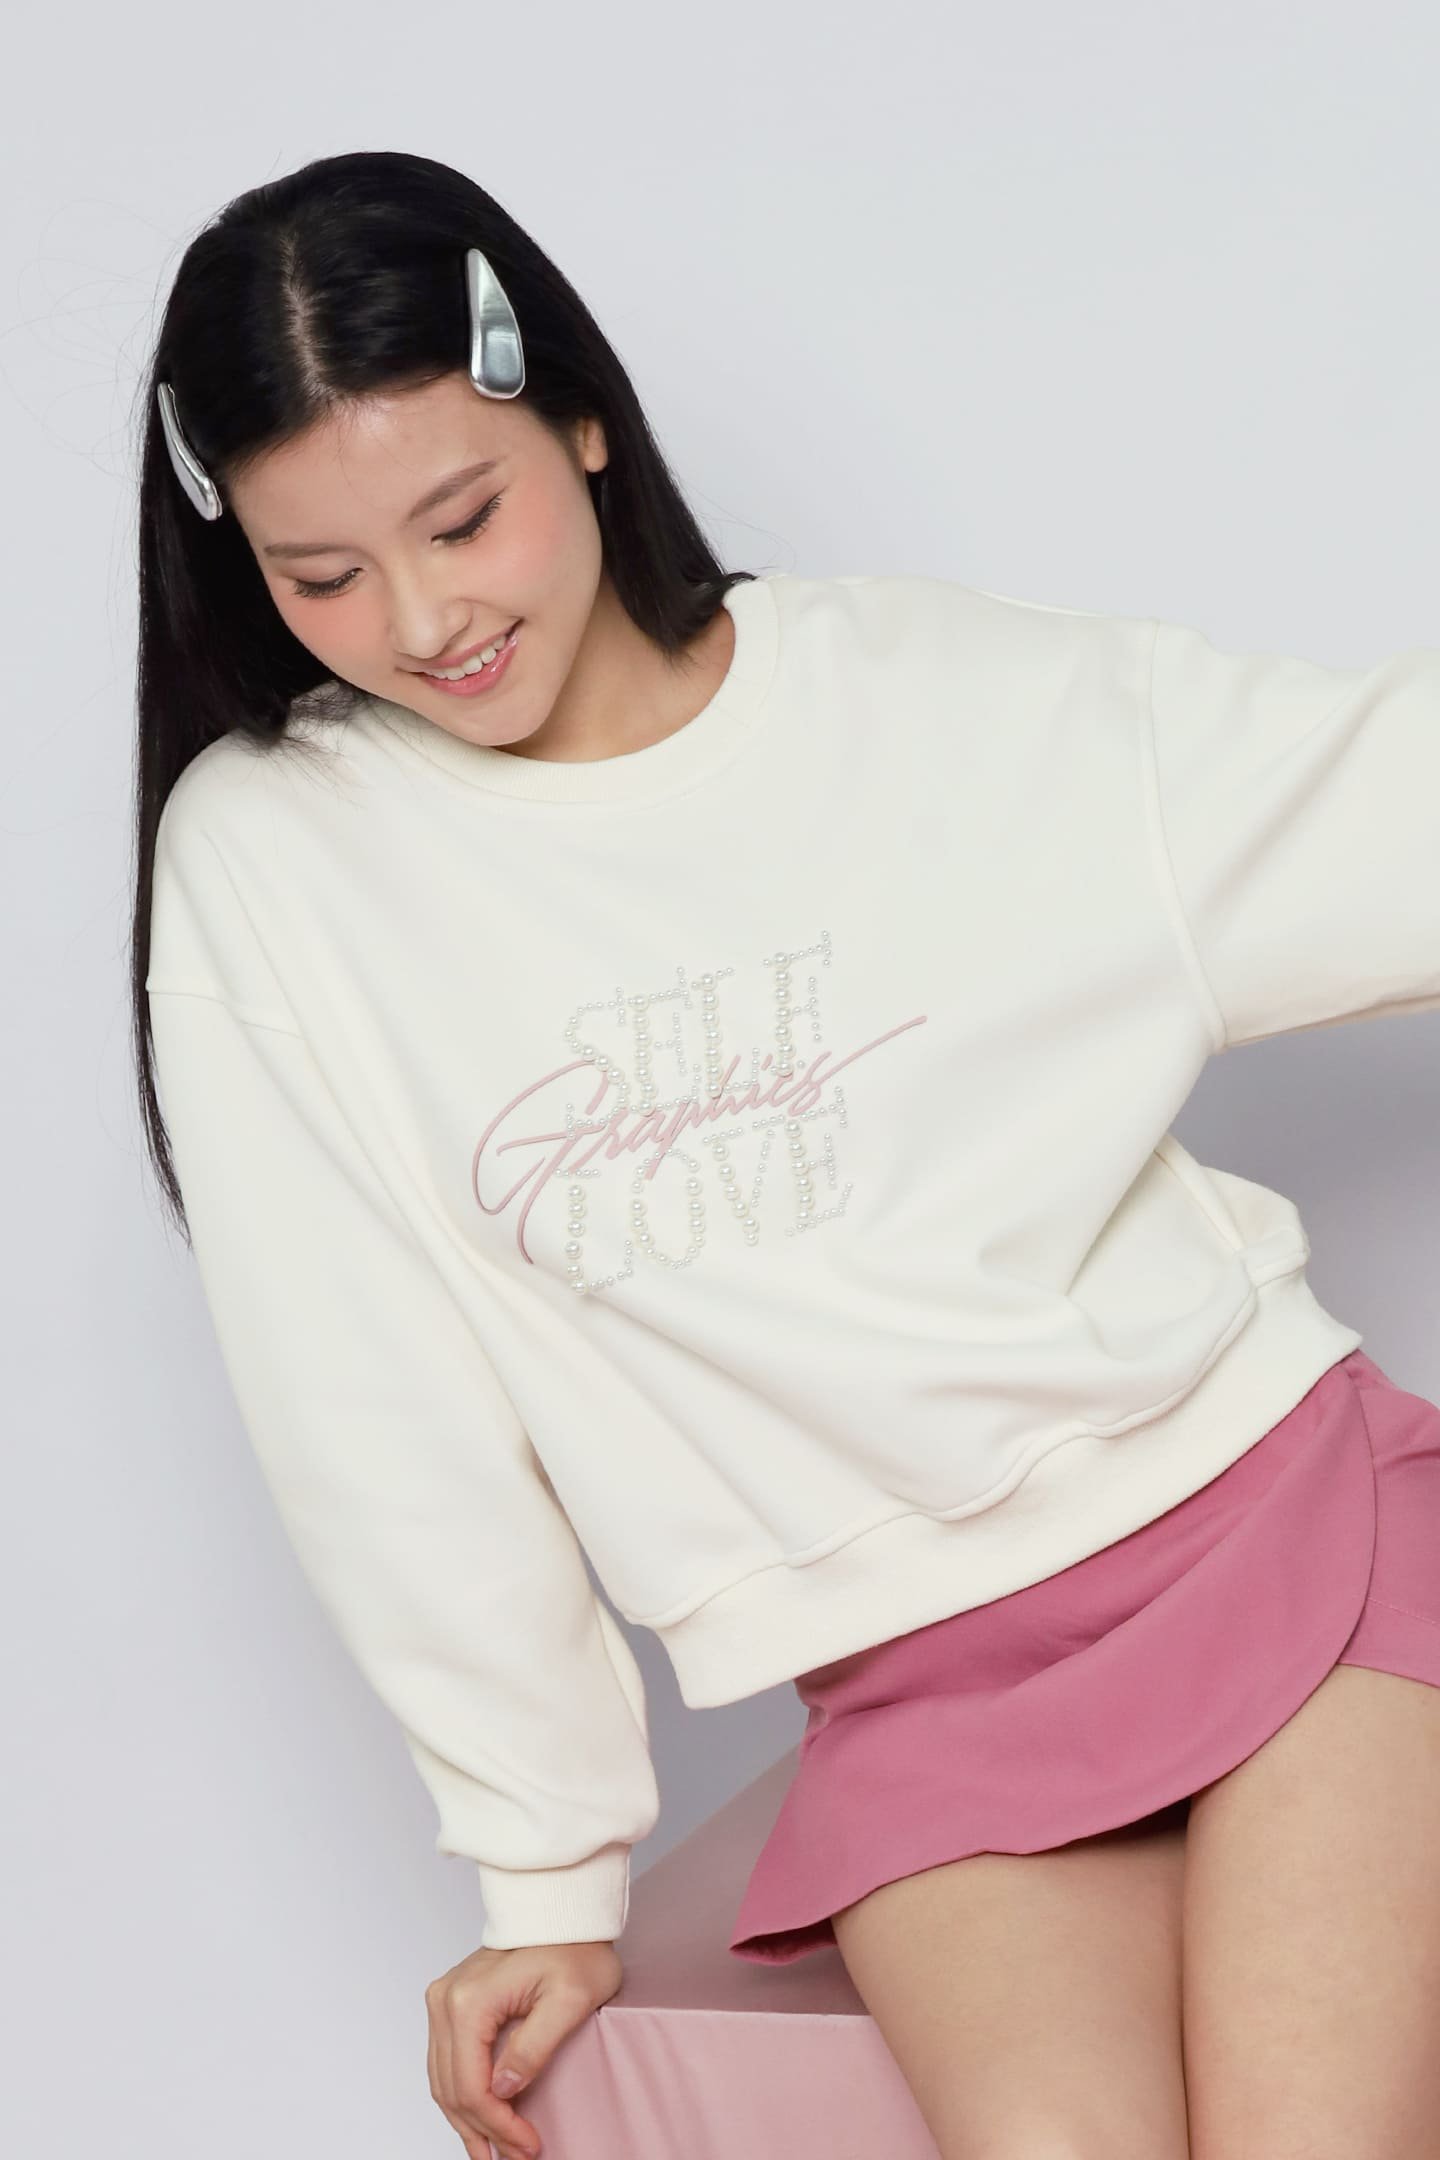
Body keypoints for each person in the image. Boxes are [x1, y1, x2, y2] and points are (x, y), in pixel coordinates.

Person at [133, 148, 1440, 2160]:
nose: (424, 617)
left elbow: (1390, 809)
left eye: (462, 519)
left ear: (581, 418)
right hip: (922, 1691)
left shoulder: (934, 699)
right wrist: (543, 1872)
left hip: (1286, 1527)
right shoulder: (280, 866)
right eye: (324, 578)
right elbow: (371, 1412)